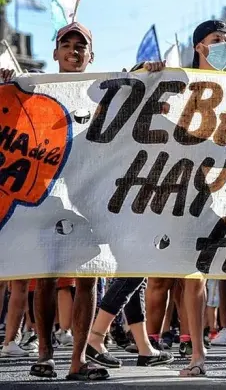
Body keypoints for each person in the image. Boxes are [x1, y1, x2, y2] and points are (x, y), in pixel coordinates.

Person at [26, 22, 109, 381]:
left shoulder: (102, 96)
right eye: (67, 45)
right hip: (48, 195)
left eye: (81, 46)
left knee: (87, 278)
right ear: (55, 52)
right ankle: (45, 354)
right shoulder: (36, 92)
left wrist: (149, 74)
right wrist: (6, 83)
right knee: (46, 276)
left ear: (91, 55)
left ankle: (78, 360)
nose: (73, 51)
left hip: (89, 197)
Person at [176, 19, 226, 378]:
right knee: (194, 276)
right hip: (192, 192)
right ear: (200, 47)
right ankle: (197, 354)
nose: (223, 44)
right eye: (216, 39)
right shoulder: (181, 85)